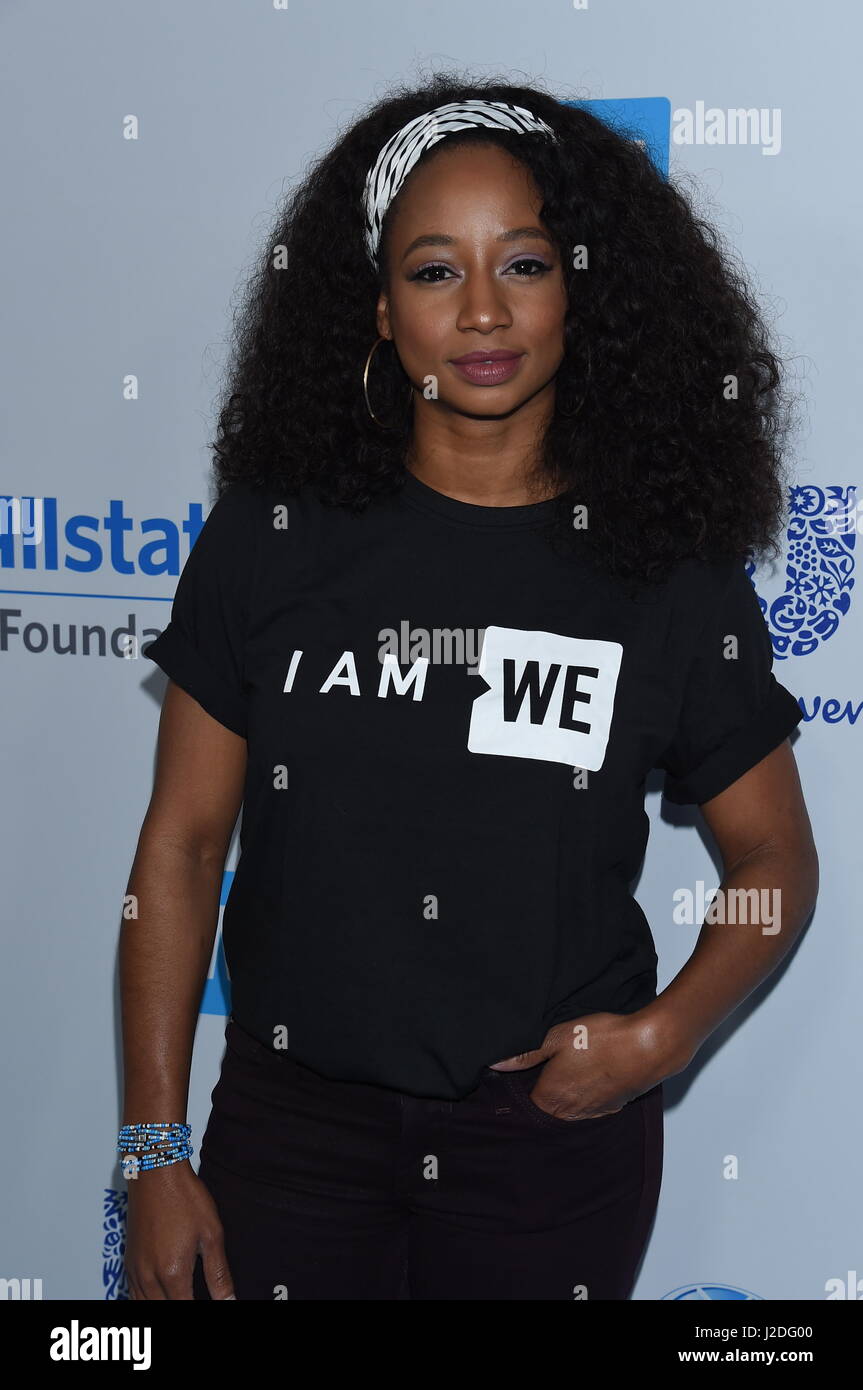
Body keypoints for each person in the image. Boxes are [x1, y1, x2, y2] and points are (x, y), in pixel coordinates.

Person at [120, 73, 818, 1301]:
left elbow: (771, 868)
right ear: (378, 312)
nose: (483, 311)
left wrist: (663, 1033)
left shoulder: (663, 572)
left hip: (546, 1150)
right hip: (294, 1138)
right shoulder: (274, 537)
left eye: (527, 265)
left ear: (580, 294)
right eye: (435, 270)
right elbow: (178, 848)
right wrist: (152, 1146)